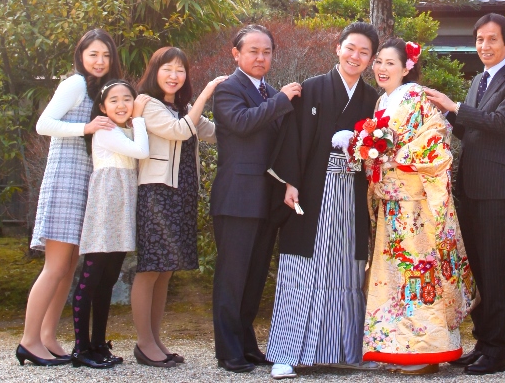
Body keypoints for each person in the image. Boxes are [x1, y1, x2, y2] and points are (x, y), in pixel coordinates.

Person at [266, 22, 380, 379]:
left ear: (372, 59)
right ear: (338, 48)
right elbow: (293, 140)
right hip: (313, 191)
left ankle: (340, 348)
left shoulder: (371, 99)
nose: (355, 56)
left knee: (344, 267)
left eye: (364, 52)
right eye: (351, 48)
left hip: (351, 192)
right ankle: (287, 351)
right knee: (303, 266)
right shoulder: (312, 88)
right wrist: (289, 183)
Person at [424, 13, 505, 375]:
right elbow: (467, 130)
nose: (484, 46)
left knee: (493, 270)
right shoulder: (478, 81)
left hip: (495, 189)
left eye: (492, 40)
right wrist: (439, 119)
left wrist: (456, 107)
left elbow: (502, 124)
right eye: (480, 40)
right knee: (475, 271)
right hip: (470, 187)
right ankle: (482, 342)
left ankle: (496, 351)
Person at [361, 39, 475, 375]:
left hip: (416, 203)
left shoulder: (416, 97)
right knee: (393, 277)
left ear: (407, 67)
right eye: (378, 62)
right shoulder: (382, 100)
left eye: (390, 63)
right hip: (392, 203)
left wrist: (392, 156)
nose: (382, 68)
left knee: (420, 273)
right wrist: (369, 154)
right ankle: (398, 348)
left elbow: (437, 139)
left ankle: (428, 350)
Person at [17, 29, 122, 367]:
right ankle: (28, 340)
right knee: (56, 266)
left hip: (86, 184)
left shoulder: (100, 90)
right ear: (81, 56)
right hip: (66, 180)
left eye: (105, 55)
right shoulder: (75, 84)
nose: (99, 61)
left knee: (68, 267)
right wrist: (86, 128)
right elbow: (43, 125)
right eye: (93, 54)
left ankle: (48, 337)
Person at [211, 25, 301, 373]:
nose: (261, 57)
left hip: (267, 200)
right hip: (236, 198)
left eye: (266, 52)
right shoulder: (227, 89)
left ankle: (247, 345)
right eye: (253, 51)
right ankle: (228, 351)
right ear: (236, 54)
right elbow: (243, 123)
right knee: (232, 277)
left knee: (253, 278)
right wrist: (281, 102)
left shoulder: (273, 92)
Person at [132, 47, 227, 367]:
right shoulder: (148, 105)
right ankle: (144, 343)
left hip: (182, 194)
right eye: (167, 69)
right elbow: (179, 131)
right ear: (154, 72)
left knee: (166, 271)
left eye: (180, 70)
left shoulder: (184, 108)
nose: (174, 75)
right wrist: (209, 91)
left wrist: (245, 114)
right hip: (156, 193)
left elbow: (214, 134)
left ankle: (155, 339)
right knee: (149, 269)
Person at [71, 79, 149, 368]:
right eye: (113, 100)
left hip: (123, 212)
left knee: (107, 280)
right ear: (103, 108)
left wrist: (137, 122)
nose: (121, 105)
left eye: (127, 99)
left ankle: (98, 344)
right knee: (91, 279)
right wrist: (139, 117)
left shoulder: (127, 130)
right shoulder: (106, 130)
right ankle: (81, 348)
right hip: (105, 212)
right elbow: (141, 151)